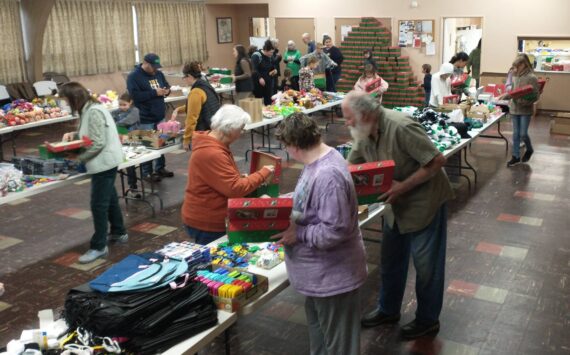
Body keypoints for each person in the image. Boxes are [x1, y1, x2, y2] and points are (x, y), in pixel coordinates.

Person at [342, 91, 453, 340]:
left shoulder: (401, 127)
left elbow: (437, 161)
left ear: (366, 114)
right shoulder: (364, 131)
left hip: (424, 204)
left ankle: (427, 320)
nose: (346, 123)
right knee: (391, 261)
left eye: (349, 118)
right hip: (395, 206)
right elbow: (350, 167)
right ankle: (388, 310)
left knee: (426, 267)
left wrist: (402, 186)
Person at [273, 112, 367, 355]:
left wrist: (299, 234)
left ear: (293, 145)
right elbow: (307, 200)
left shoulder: (328, 175)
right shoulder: (320, 160)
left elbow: (334, 231)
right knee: (322, 343)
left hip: (334, 279)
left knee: (339, 347)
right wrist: (277, 204)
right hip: (319, 279)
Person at [181, 105, 275, 244]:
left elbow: (219, 180)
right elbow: (235, 189)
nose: (242, 133)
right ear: (230, 129)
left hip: (208, 216)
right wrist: (263, 173)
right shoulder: (212, 152)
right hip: (207, 222)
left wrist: (240, 178)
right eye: (241, 129)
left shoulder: (214, 144)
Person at [60, 82, 127, 264]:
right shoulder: (88, 109)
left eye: (66, 101)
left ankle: (99, 246)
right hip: (105, 162)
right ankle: (119, 231)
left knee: (98, 204)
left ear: (74, 98)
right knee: (110, 197)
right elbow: (90, 133)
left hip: (104, 163)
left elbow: (97, 143)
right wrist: (74, 136)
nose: (66, 104)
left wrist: (78, 158)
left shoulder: (94, 111)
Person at [126, 53, 173, 182]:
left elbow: (167, 85)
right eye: (153, 67)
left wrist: (167, 91)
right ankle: (147, 173)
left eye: (157, 67)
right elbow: (134, 96)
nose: (155, 69)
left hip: (159, 115)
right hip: (144, 117)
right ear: (145, 63)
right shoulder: (134, 77)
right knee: (147, 146)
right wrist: (154, 93)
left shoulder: (158, 73)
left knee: (161, 143)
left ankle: (160, 168)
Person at [171, 61, 221, 151]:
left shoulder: (196, 92)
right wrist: (178, 109)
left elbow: (192, 118)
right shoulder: (206, 85)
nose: (184, 80)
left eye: (184, 77)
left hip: (204, 133)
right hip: (214, 130)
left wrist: (186, 139)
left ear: (189, 76)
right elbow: (197, 106)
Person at [501, 54, 539, 167]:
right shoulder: (514, 76)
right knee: (516, 134)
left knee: (523, 134)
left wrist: (524, 102)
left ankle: (529, 149)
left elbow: (535, 95)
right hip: (514, 108)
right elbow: (513, 92)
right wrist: (505, 96)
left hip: (525, 110)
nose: (515, 69)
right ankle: (515, 156)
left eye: (517, 66)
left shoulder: (532, 77)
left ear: (523, 65)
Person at [111, 92, 140, 198]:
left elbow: (128, 121)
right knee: (123, 165)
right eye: (120, 105)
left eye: (124, 105)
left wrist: (115, 124)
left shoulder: (135, 111)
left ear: (130, 102)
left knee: (130, 166)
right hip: (120, 143)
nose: (122, 107)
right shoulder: (115, 112)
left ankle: (133, 187)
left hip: (133, 142)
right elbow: (110, 118)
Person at [251, 39, 277, 105]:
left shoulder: (270, 56)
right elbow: (254, 69)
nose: (272, 54)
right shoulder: (256, 56)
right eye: (271, 52)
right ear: (265, 50)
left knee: (268, 100)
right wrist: (260, 78)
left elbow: (272, 66)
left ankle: (269, 113)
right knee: (258, 100)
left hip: (268, 82)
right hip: (258, 83)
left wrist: (275, 70)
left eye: (272, 52)